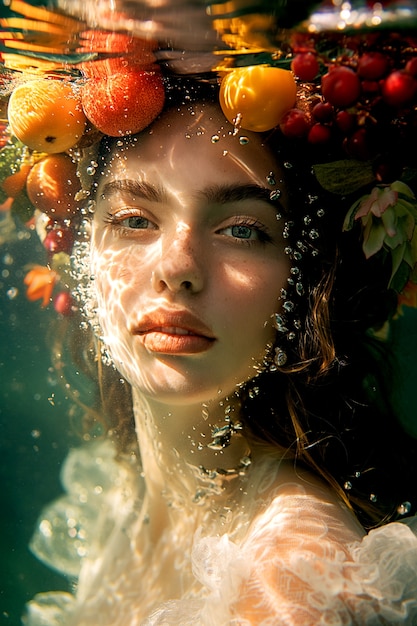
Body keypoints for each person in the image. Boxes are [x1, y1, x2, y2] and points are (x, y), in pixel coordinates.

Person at [1, 11, 417, 624]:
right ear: (79, 254)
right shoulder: (123, 494)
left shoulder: (297, 589)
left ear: (306, 281)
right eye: (135, 220)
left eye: (242, 230)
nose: (179, 267)